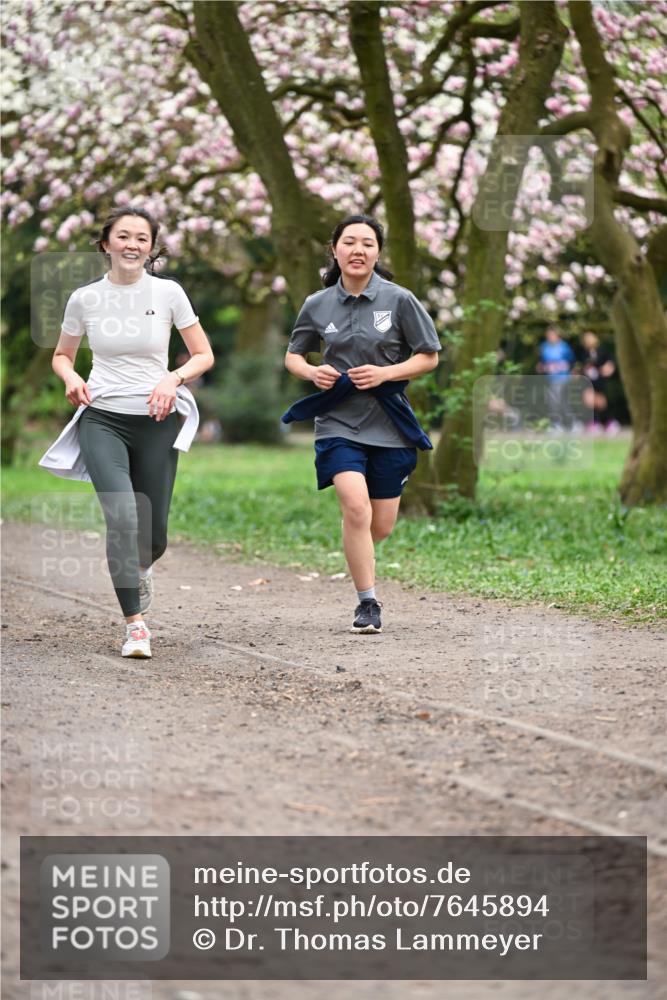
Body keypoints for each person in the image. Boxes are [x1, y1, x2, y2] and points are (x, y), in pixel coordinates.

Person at [39, 206, 214, 658]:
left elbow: (203, 355)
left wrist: (173, 379)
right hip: (102, 419)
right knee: (122, 516)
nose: (132, 244)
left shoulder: (169, 292)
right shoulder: (85, 299)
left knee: (153, 537)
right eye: (123, 236)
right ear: (106, 244)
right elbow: (62, 355)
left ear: (151, 248)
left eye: (141, 238)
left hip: (157, 422)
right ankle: (136, 627)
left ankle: (140, 568)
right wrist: (70, 377)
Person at [283, 214, 440, 634]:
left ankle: (356, 541)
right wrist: (311, 372)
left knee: (378, 526)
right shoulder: (318, 304)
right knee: (355, 506)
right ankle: (367, 603)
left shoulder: (400, 300)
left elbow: (429, 356)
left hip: (389, 421)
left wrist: (386, 373)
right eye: (349, 242)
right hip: (337, 420)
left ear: (378, 252)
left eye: (368, 243)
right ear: (334, 250)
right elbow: (294, 355)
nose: (358, 250)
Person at [578, 330, 619, 435]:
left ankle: (609, 422)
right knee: (589, 401)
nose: (588, 340)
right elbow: (580, 367)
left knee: (601, 403)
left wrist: (609, 367)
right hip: (589, 382)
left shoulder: (602, 351)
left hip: (601, 382)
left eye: (590, 337)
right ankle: (594, 423)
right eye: (586, 338)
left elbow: (611, 363)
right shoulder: (583, 353)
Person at [537, 327, 575, 430]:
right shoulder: (544, 347)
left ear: (557, 335)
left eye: (552, 335)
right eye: (548, 335)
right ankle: (571, 423)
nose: (550, 337)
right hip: (550, 378)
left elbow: (571, 362)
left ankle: (556, 424)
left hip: (562, 378)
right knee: (562, 402)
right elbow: (542, 363)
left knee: (553, 399)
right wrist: (541, 367)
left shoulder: (564, 347)